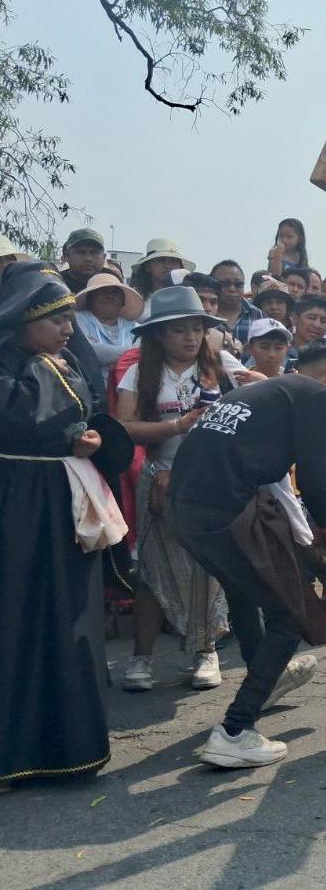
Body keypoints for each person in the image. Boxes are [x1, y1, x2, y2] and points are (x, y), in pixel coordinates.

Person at [170, 345, 326, 768]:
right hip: (221, 512)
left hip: (184, 510)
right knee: (288, 615)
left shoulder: (257, 393)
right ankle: (235, 731)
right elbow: (315, 470)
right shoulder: (320, 395)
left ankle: (263, 680)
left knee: (243, 592)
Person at [0, 262, 131, 788]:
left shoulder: (64, 360)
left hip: (61, 503)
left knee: (70, 613)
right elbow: (28, 420)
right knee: (18, 614)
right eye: (54, 319)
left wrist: (88, 437)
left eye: (68, 318)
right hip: (17, 505)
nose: (67, 329)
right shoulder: (10, 368)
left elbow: (80, 415)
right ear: (21, 318)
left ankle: (69, 746)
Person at [114, 286, 256, 692]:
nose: (190, 337)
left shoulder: (220, 367)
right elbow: (123, 428)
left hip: (208, 482)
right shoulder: (140, 372)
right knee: (152, 570)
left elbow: (254, 403)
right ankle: (141, 658)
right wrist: (177, 426)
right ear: (159, 334)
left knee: (205, 569)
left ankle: (205, 651)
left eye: (197, 329)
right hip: (158, 477)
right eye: (179, 330)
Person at [73, 272, 143, 383]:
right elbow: (89, 351)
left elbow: (143, 354)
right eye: (103, 292)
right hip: (91, 387)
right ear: (90, 298)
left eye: (115, 293)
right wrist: (130, 354)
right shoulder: (78, 319)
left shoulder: (134, 327)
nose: (110, 296)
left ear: (123, 301)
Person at [212, 260, 262, 345]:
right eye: (225, 284)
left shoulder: (258, 315)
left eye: (238, 284)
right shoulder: (204, 314)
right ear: (212, 284)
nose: (232, 289)